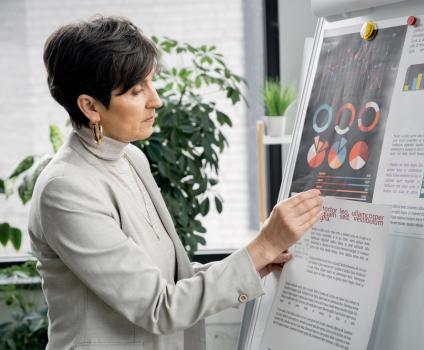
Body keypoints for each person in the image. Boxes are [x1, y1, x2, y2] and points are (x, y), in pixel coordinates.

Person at [28, 15, 322, 350]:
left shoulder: (131, 158)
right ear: (90, 106)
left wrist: (254, 259)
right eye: (138, 90)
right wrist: (263, 246)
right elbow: (159, 306)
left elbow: (168, 278)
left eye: (151, 83)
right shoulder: (65, 189)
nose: (156, 100)